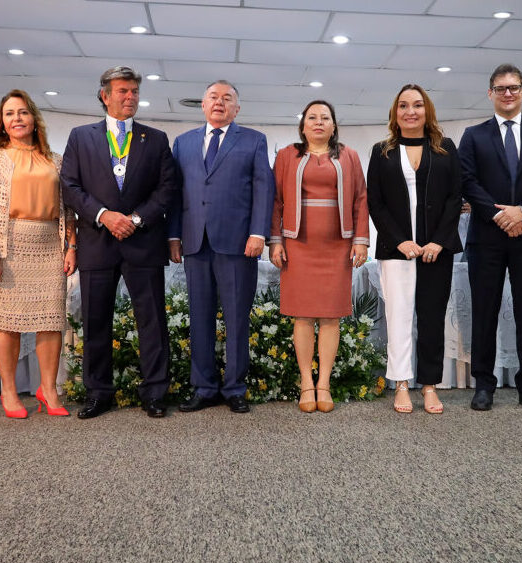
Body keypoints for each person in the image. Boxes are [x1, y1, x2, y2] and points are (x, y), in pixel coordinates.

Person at [61, 66, 178, 420]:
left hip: (143, 241)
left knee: (153, 321)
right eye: (123, 91)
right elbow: (70, 185)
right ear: (105, 96)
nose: (131, 98)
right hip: (97, 241)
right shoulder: (81, 137)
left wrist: (136, 219)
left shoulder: (155, 139)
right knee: (96, 321)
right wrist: (104, 215)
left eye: (135, 92)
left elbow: (167, 189)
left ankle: (155, 392)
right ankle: (98, 392)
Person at [457, 64, 522, 413]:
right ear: (490, 93)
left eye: (514, 87)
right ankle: (483, 385)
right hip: (486, 237)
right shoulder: (473, 135)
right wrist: (500, 214)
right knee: (484, 312)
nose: (508, 93)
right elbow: (467, 181)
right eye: (501, 88)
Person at [168, 80, 274, 414]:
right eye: (213, 97)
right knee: (199, 317)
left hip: (239, 245)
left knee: (236, 319)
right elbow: (175, 193)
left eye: (227, 98)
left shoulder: (254, 141)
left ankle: (235, 388)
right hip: (195, 243)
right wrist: (173, 236)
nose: (220, 102)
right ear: (202, 105)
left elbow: (263, 190)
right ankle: (203, 387)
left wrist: (259, 233)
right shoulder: (183, 143)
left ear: (237, 108)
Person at [0, 90, 76, 419]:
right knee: (8, 323)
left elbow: (69, 210)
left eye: (22, 112)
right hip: (9, 248)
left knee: (51, 321)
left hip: (50, 246)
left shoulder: (55, 160)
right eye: (9, 114)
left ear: (34, 118)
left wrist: (71, 246)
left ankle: (47, 389)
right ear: (2, 124)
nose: (16, 118)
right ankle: (8, 389)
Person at [366, 85, 462, 414]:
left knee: (433, 319)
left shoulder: (446, 148)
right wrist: (399, 240)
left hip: (437, 249)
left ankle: (430, 386)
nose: (411, 111)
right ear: (395, 113)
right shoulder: (382, 151)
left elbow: (454, 198)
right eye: (403, 105)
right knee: (399, 318)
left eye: (418, 105)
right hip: (397, 250)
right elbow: (375, 203)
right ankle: (402, 384)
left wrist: (439, 240)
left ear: (427, 111)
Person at [269, 100, 369, 413]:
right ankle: (305, 384)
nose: (318, 122)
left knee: (330, 316)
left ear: (334, 125)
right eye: (312, 117)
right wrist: (275, 241)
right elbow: (275, 201)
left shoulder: (349, 156)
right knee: (302, 315)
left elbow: (361, 199)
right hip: (297, 245)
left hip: (337, 246)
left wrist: (361, 241)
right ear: (303, 126)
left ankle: (323, 383)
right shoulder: (287, 155)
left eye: (325, 117)